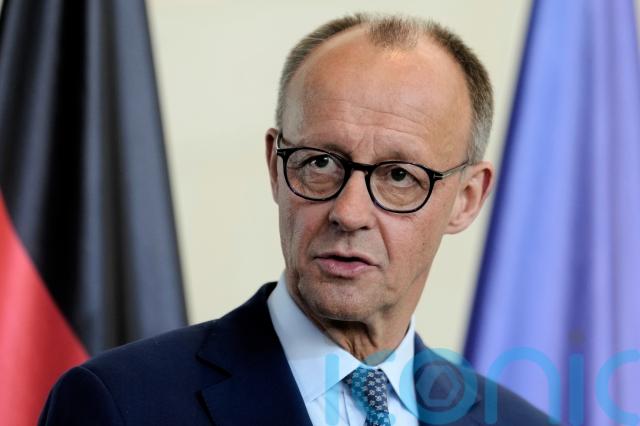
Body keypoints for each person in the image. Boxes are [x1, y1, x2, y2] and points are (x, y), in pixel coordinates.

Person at [39, 13, 551, 425]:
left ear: (466, 198)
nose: (349, 213)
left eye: (399, 175)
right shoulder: (120, 406)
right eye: (320, 163)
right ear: (274, 167)